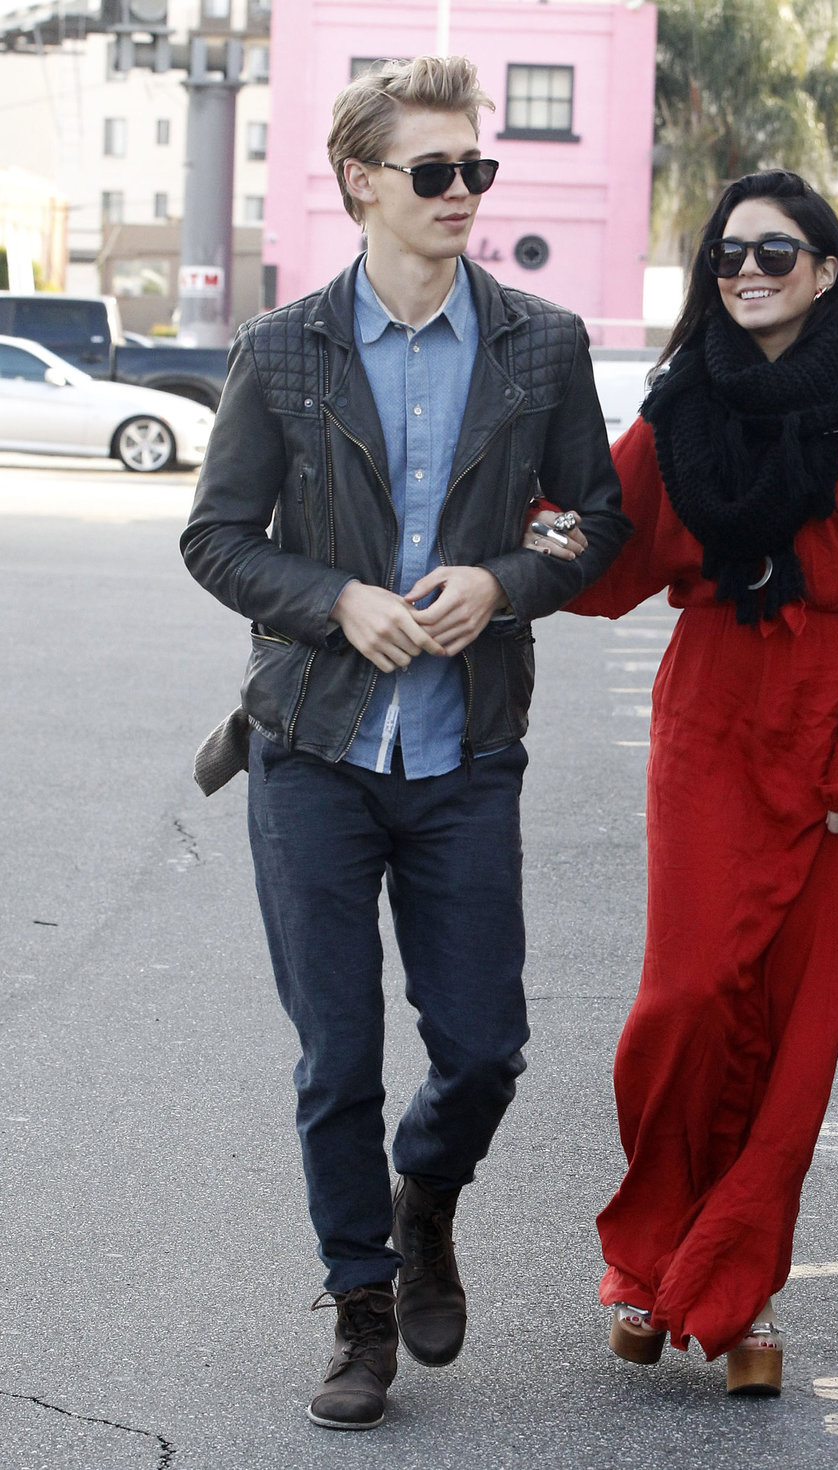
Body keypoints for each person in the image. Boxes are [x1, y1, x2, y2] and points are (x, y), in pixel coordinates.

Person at [180, 54, 628, 1432]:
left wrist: (504, 577)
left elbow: (586, 519)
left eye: (473, 171)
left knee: (483, 1043)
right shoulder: (283, 348)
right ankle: (360, 1306)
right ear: (359, 182)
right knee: (335, 1055)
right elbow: (215, 538)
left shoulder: (541, 343)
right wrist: (336, 601)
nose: (459, 194)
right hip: (314, 746)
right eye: (431, 172)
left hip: (462, 751)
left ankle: (422, 1190)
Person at [525, 170, 838, 1393]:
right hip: (711, 717)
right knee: (690, 1002)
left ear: (824, 268)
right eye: (726, 253)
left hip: (830, 735)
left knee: (790, 1034)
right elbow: (610, 555)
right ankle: (658, 1255)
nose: (747, 269)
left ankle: (739, 1293)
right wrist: (529, 526)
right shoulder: (685, 407)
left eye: (775, 249)